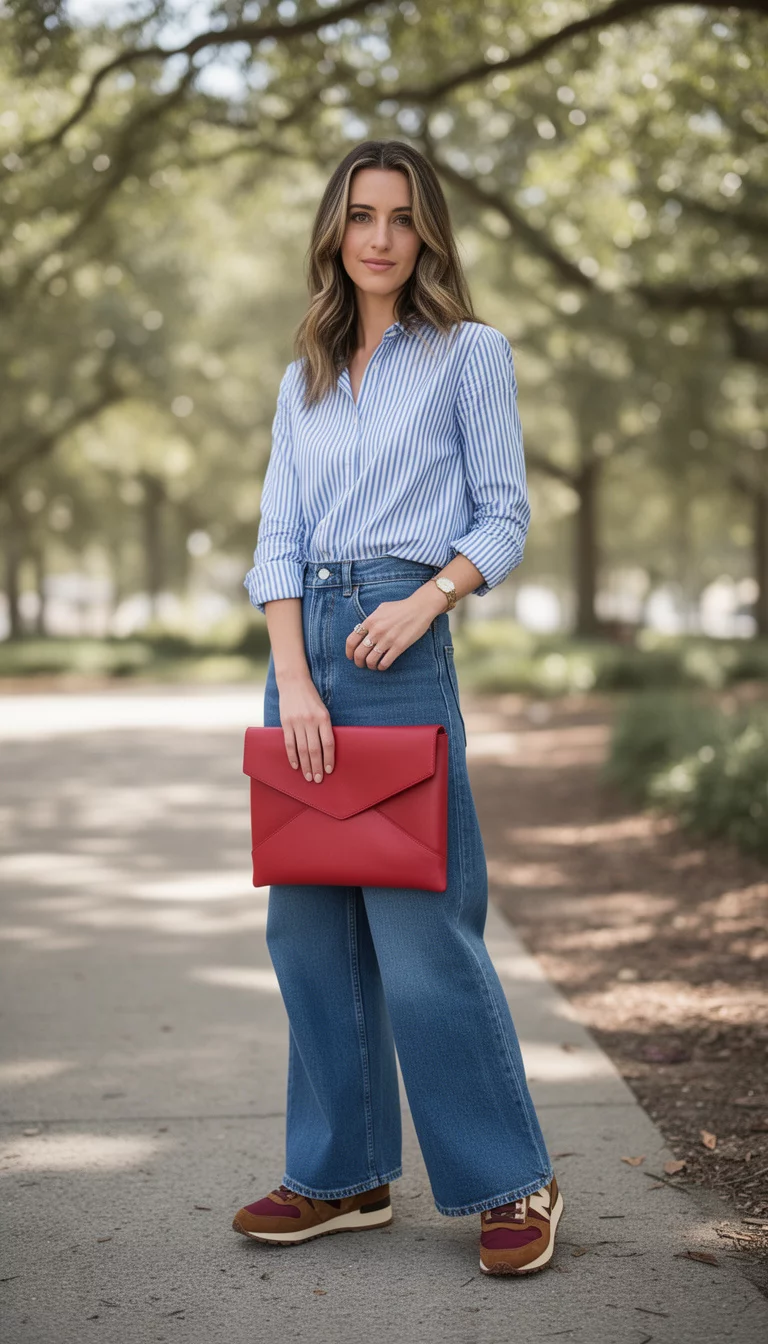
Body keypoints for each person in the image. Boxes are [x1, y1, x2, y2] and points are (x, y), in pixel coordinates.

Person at [232, 140, 563, 1276]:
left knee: (423, 934)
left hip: (400, 636)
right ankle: (344, 1176)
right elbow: (276, 537)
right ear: (335, 232)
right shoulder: (304, 377)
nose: (380, 237)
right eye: (361, 215)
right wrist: (297, 679)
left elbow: (504, 514)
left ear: (428, 235)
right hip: (306, 647)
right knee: (308, 930)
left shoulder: (471, 354)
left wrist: (427, 603)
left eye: (402, 218)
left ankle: (513, 1182)